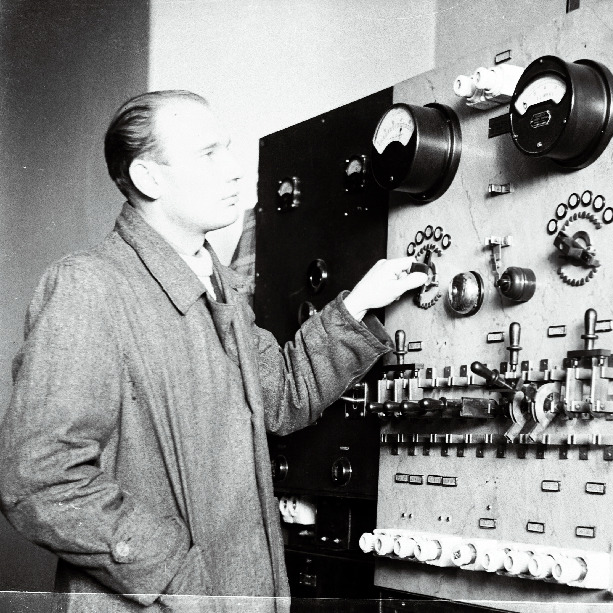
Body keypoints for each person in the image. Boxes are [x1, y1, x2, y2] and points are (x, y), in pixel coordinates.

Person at [0, 90, 426, 612]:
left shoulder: (218, 283)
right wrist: (175, 572)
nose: (234, 169)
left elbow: (282, 397)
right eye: (208, 154)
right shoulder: (90, 286)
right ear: (148, 178)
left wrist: (358, 303)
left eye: (227, 148)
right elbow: (39, 478)